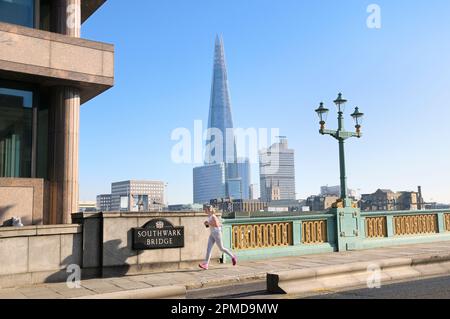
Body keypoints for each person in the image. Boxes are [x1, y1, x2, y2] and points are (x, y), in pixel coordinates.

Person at [199, 205, 237, 270]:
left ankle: (233, 256)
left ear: (209, 210)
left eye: (205, 209)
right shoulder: (209, 216)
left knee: (221, 248)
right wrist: (207, 224)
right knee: (208, 249)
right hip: (212, 234)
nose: (204, 210)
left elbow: (216, 225)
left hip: (217, 233)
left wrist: (208, 223)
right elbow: (211, 225)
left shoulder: (213, 216)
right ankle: (206, 264)